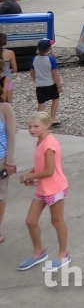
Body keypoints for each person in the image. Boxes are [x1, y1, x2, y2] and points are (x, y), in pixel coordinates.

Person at [18, 112, 69, 272]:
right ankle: (38, 252)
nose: (32, 130)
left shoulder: (49, 144)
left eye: (36, 126)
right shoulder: (40, 141)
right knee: (30, 221)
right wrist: (31, 173)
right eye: (29, 127)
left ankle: (63, 254)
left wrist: (28, 176)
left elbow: (49, 171)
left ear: (47, 125)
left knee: (57, 221)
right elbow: (40, 165)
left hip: (55, 188)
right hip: (43, 188)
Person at [30, 40, 62, 128]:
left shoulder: (34, 59)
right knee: (55, 99)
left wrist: (35, 80)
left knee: (41, 103)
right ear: (49, 48)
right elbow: (54, 73)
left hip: (39, 84)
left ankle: (39, 121)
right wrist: (58, 85)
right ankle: (52, 119)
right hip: (50, 83)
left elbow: (32, 72)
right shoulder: (51, 59)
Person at [0, 92, 16, 244]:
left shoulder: (5, 108)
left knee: (0, 195)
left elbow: (12, 136)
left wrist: (10, 161)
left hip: (1, 159)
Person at [0, 32, 15, 101]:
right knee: (8, 102)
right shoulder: (10, 53)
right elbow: (15, 69)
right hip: (8, 79)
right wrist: (9, 71)